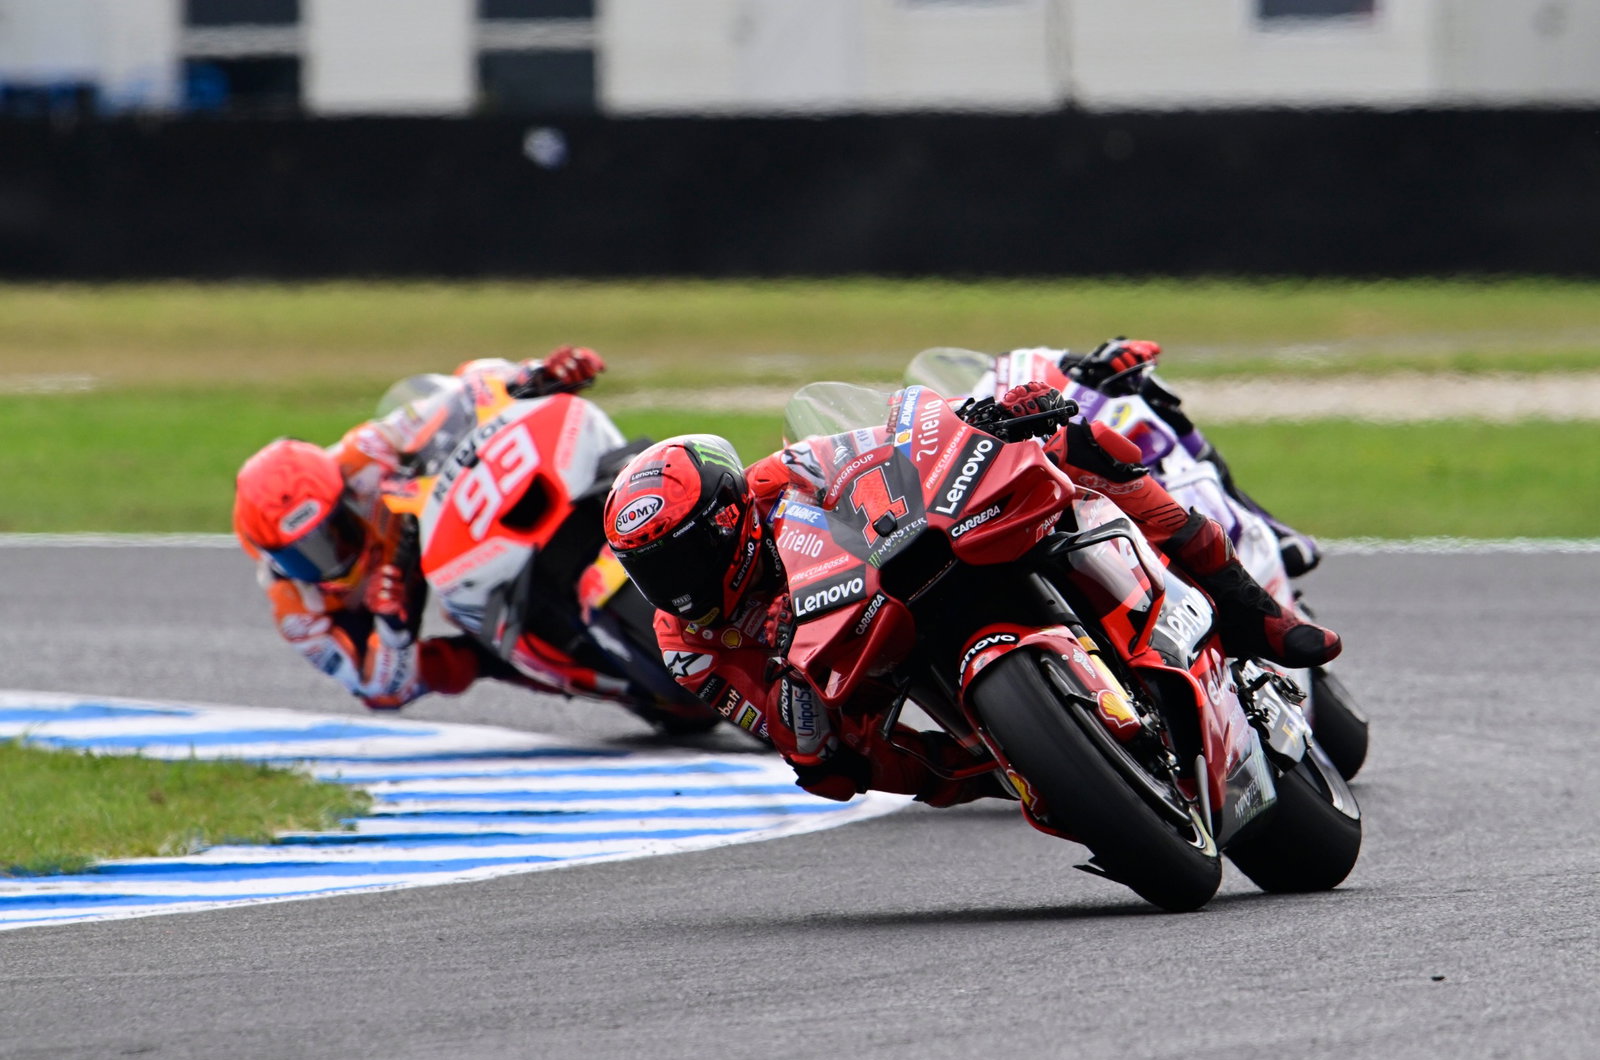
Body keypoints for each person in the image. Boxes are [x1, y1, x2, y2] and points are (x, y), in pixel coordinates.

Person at [600, 389, 1340, 810]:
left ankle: (1252, 611)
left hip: (900, 568)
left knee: (1072, 440)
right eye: (653, 571)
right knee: (841, 771)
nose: (677, 585)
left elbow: (890, 440)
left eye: (685, 555)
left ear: (729, 515)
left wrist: (979, 417)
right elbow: (800, 749)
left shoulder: (774, 480)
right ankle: (1007, 763)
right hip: (861, 662)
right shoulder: (688, 644)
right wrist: (803, 728)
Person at [232, 345, 605, 711]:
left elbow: (462, 395)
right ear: (271, 557)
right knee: (409, 681)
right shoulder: (297, 610)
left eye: (334, 532)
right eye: (304, 555)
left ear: (342, 494)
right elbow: (377, 688)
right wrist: (394, 627)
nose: (332, 558)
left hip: (430, 522)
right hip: (390, 609)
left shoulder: (362, 455)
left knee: (478, 368)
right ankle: (547, 667)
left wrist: (535, 376)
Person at [1004, 337, 1321, 577]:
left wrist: (1106, 360)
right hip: (1001, 491)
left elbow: (1046, 366)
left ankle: (1260, 531)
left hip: (1070, 472)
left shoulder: (1010, 366)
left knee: (1145, 402)